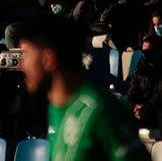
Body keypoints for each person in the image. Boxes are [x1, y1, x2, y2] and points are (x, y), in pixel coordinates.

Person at [17, 17, 149, 160]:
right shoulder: (55, 108)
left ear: (49, 60)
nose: (22, 65)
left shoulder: (101, 110)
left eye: (27, 55)